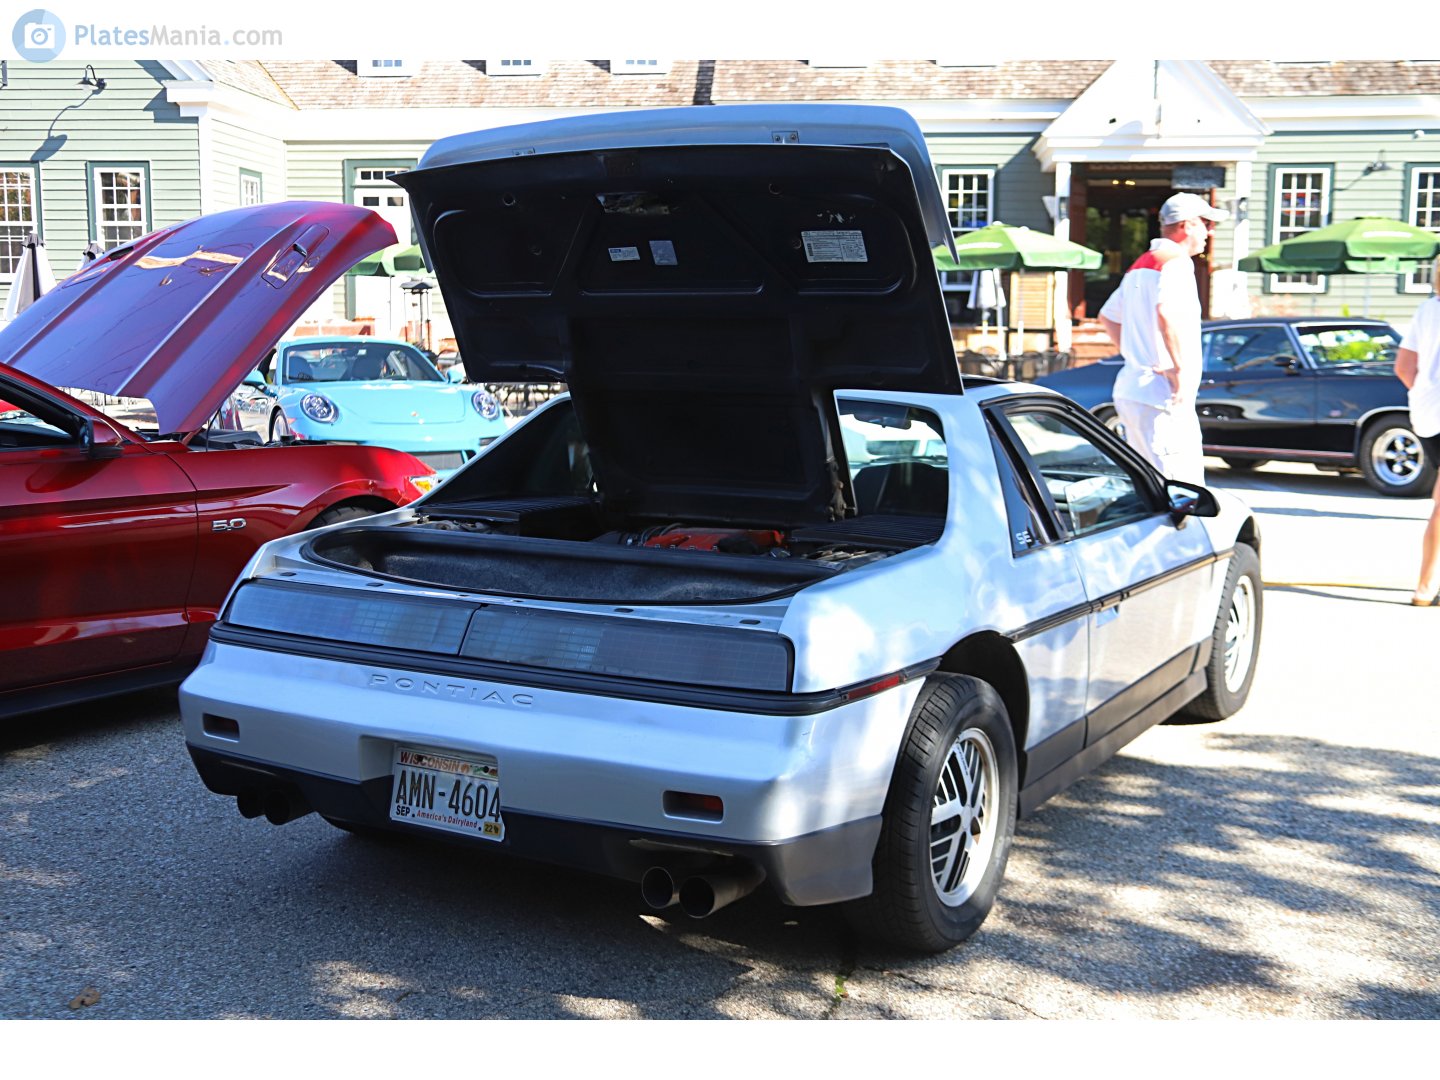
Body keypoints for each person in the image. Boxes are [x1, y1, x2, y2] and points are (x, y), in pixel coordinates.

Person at [1097, 192, 1229, 485]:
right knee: (1180, 488)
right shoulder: (1176, 263)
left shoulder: (1142, 264)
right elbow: (1166, 313)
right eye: (1206, 223)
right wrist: (1178, 370)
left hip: (1135, 388)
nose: (1210, 232)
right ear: (1188, 224)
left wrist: (1138, 355)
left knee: (1149, 484)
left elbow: (1107, 316)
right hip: (1161, 395)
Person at [1395, 257, 1440, 606]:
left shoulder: (1428, 309)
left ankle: (1426, 586)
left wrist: (1425, 393)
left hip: (1427, 414)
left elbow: (1403, 366)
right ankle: (1425, 587)